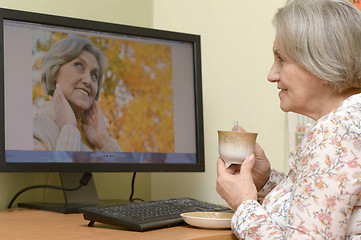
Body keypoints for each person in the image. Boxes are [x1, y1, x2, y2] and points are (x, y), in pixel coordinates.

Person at [216, 0, 361, 239]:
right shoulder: (348, 126)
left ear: (321, 62)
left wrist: (243, 204)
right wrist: (265, 180)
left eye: (281, 59)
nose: (271, 75)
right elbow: (321, 204)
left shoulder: (336, 135)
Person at [33, 36, 121, 153]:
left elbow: (130, 172)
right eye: (78, 65)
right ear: (55, 71)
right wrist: (69, 129)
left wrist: (104, 140)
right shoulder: (34, 131)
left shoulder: (98, 143)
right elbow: (58, 171)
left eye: (94, 75)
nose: (88, 81)